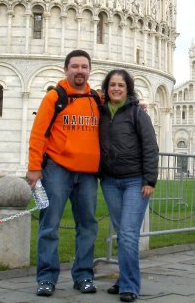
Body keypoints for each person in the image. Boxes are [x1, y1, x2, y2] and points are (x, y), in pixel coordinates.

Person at [26, 49, 101, 297]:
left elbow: (118, 110)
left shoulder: (96, 99)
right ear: (66, 69)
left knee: (88, 225)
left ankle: (83, 276)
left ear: (90, 70)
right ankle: (46, 278)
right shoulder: (54, 97)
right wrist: (34, 168)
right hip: (58, 168)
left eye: (84, 67)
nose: (79, 71)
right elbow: (39, 134)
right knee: (50, 225)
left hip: (88, 173)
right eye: (75, 66)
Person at [98, 69, 159, 303]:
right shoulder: (100, 113)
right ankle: (124, 278)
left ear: (128, 89)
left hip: (135, 181)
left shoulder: (137, 114)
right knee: (122, 234)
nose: (116, 89)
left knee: (128, 233)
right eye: (112, 85)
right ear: (106, 88)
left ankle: (130, 285)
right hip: (110, 181)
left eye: (120, 85)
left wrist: (149, 180)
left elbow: (150, 147)